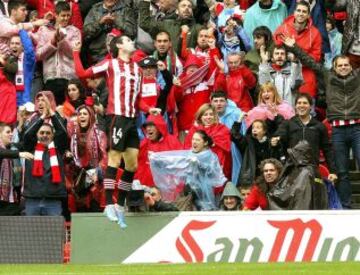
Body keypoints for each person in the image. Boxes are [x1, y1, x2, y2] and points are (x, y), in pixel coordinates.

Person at [72, 35, 161, 227]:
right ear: (119, 45)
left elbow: (136, 99)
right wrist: (76, 52)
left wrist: (148, 109)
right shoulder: (110, 64)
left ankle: (120, 205)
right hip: (116, 118)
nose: (131, 42)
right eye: (128, 40)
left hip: (132, 120)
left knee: (131, 165)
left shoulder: (138, 69)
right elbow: (82, 73)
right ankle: (109, 204)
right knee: (113, 160)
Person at [149, 130, 228, 210]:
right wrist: (157, 158)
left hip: (204, 193)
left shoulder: (210, 156)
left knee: (204, 212)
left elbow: (214, 174)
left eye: (197, 140)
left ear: (205, 143)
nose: (194, 142)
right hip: (189, 190)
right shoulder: (189, 154)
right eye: (193, 139)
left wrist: (200, 165)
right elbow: (174, 161)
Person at [271, 93, 337, 182]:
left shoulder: (319, 126)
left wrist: (333, 171)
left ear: (310, 107)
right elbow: (278, 138)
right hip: (292, 170)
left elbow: (327, 149)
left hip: (312, 170)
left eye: (305, 103)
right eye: (299, 103)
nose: (301, 105)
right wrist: (275, 141)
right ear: (295, 106)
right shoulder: (288, 124)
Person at [22, 96, 68, 216]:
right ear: (37, 134)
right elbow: (27, 133)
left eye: (48, 133)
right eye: (41, 133)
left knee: (53, 234)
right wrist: (42, 117)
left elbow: (62, 132)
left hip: (53, 200)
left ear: (53, 136)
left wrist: (51, 112)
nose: (44, 135)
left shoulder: (58, 148)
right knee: (31, 233)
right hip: (32, 199)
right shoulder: (30, 148)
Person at [36, 1, 82, 105]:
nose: (66, 18)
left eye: (68, 15)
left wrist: (62, 40)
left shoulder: (75, 31)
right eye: (63, 15)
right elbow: (38, 55)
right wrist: (52, 42)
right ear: (56, 15)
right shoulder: (44, 30)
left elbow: (74, 54)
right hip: (50, 79)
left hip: (69, 80)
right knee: (52, 112)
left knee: (68, 113)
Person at [273, 0, 322, 98]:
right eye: (298, 10)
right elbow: (275, 52)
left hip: (306, 75)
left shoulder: (315, 33)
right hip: (285, 73)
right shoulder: (282, 29)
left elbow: (315, 59)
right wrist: (287, 56)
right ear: (294, 12)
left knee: (306, 107)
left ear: (308, 15)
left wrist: (296, 58)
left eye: (304, 12)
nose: (301, 14)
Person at [66, 105, 108, 212]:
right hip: (79, 178)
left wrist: (98, 171)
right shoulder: (73, 136)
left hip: (95, 179)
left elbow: (105, 157)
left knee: (94, 211)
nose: (82, 116)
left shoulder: (100, 135)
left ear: (91, 117)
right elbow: (70, 154)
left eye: (85, 114)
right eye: (79, 114)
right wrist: (67, 156)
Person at [185, 104, 232, 179]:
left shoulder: (222, 128)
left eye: (211, 114)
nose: (208, 117)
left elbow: (227, 147)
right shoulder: (194, 130)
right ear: (200, 117)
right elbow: (187, 147)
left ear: (215, 116)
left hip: (217, 165)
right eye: (205, 115)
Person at [135, 114, 182, 187]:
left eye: (151, 126)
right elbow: (134, 163)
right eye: (146, 126)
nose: (148, 129)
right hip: (147, 188)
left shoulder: (173, 142)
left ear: (159, 127)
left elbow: (181, 165)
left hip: (168, 188)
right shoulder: (144, 144)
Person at [232, 119, 282, 187]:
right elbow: (234, 135)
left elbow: (276, 158)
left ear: (264, 131)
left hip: (268, 177)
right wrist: (239, 121)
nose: (254, 129)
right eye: (253, 127)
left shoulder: (270, 142)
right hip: (251, 177)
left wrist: (276, 145)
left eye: (258, 127)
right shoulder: (247, 142)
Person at [210, 90, 245, 183]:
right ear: (211, 103)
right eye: (216, 101)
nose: (219, 104)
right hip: (217, 153)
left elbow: (243, 133)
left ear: (226, 102)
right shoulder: (208, 116)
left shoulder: (236, 114)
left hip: (234, 150)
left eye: (221, 101)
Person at [0, 122, 33, 216]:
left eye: (11, 132)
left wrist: (42, 118)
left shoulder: (13, 147)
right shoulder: (9, 151)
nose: (11, 134)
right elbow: (2, 152)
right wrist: (19, 154)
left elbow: (28, 140)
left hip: (11, 196)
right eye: (8, 132)